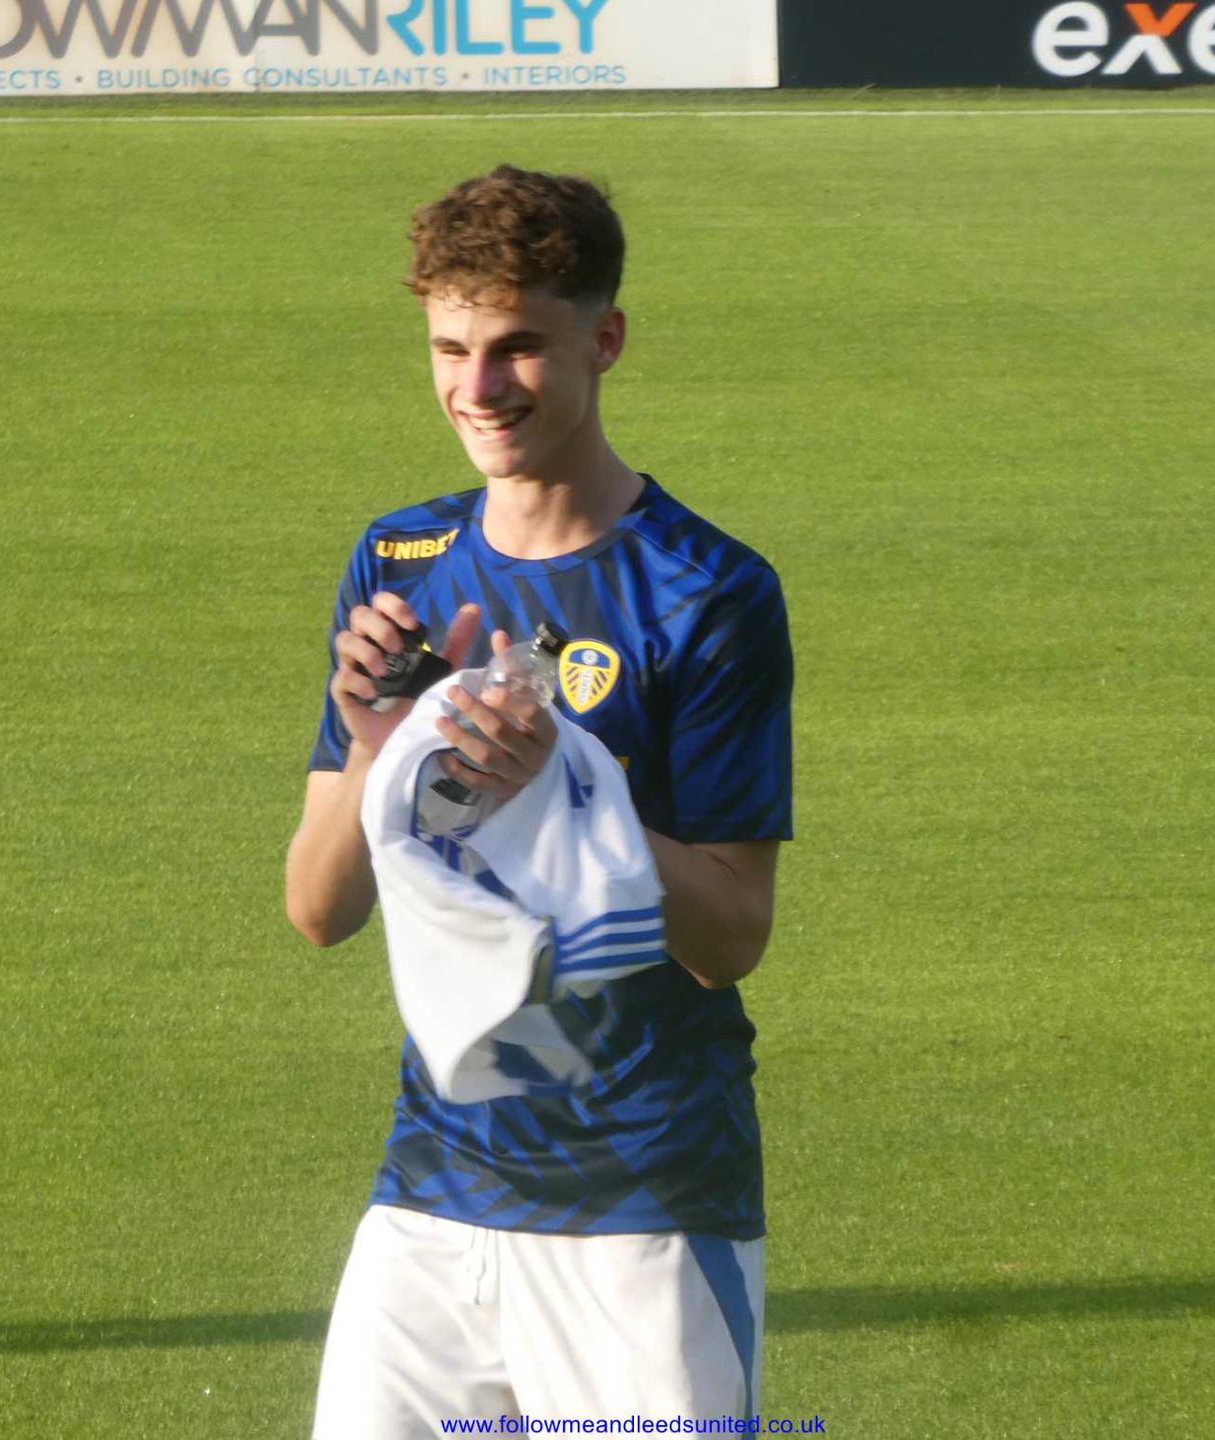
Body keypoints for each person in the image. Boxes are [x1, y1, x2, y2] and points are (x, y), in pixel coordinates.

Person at [285, 164, 794, 1437]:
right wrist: (374, 745)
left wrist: (571, 783)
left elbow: (732, 936)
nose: (478, 386)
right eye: (449, 349)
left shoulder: (709, 593)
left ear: (603, 340)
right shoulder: (401, 560)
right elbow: (317, 909)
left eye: (516, 346)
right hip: (433, 1190)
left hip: (642, 1208)